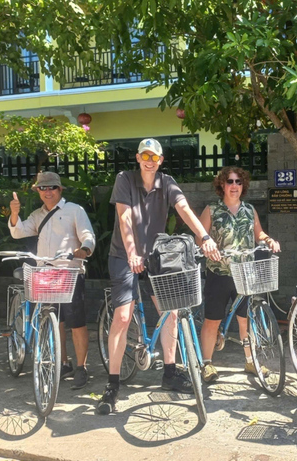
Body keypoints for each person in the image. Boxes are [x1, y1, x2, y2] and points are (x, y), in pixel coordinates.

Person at [97, 138, 220, 415]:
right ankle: (112, 385)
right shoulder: (125, 180)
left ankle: (169, 372)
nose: (150, 161)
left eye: (155, 157)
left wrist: (204, 237)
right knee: (123, 317)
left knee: (171, 312)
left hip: (157, 254)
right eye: (145, 156)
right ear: (138, 158)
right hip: (123, 255)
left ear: (161, 160)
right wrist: (131, 252)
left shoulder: (167, 182)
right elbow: (124, 218)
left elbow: (184, 210)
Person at [8, 171, 95, 390]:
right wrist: (14, 213)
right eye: (43, 188)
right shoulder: (38, 215)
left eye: (52, 188)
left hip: (69, 273)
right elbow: (18, 232)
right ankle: (63, 363)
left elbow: (88, 235)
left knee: (76, 321)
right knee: (55, 319)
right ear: (38, 191)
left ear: (60, 189)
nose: (48, 192)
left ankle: (82, 367)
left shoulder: (75, 210)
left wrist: (83, 250)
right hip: (45, 274)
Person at [197, 167, 281, 383]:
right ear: (222, 185)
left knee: (246, 320)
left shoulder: (249, 210)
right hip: (219, 272)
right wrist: (207, 245)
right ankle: (206, 363)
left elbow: (258, 233)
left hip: (245, 273)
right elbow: (200, 236)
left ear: (243, 186)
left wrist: (268, 240)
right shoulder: (212, 209)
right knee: (212, 321)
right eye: (230, 182)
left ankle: (250, 360)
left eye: (238, 182)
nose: (234, 186)